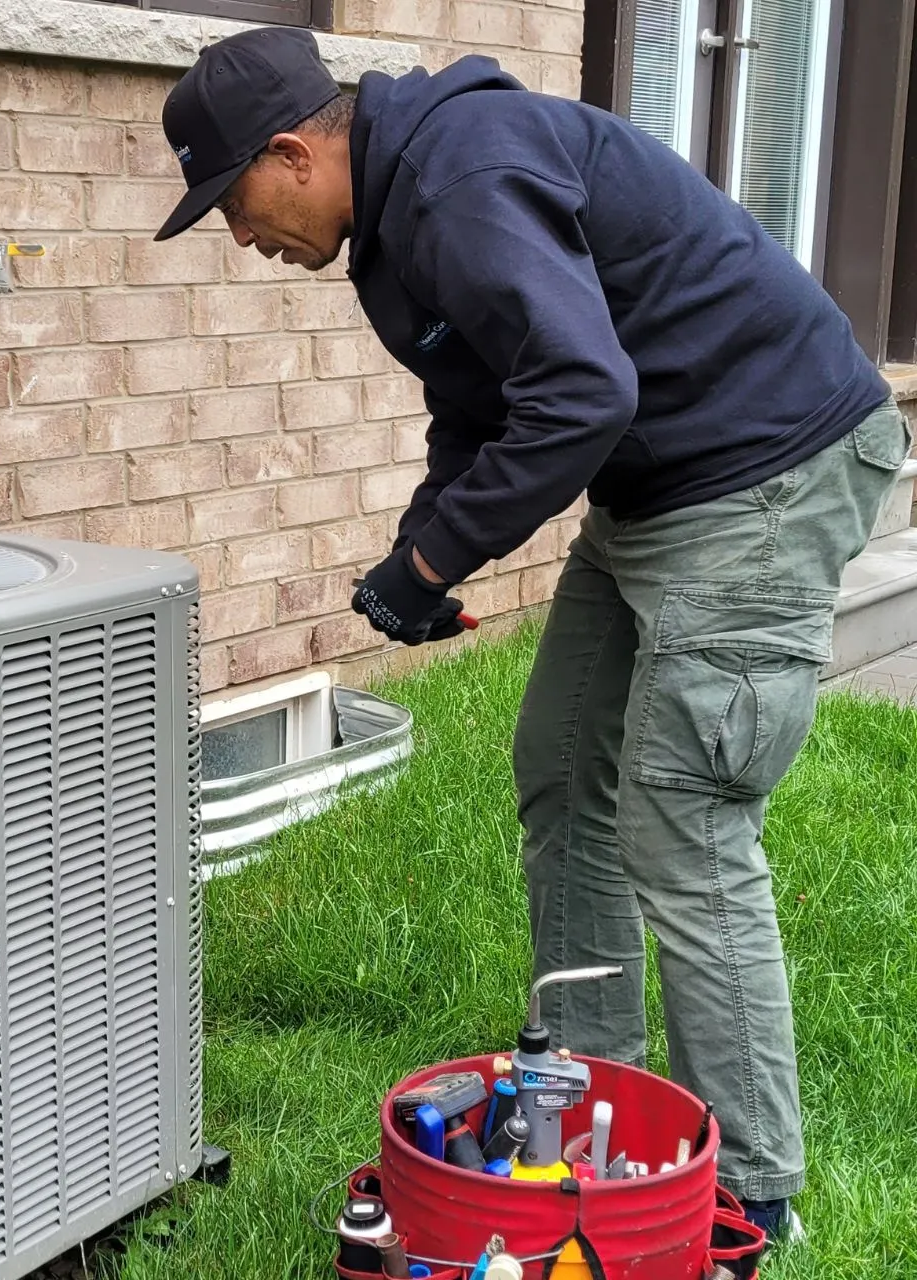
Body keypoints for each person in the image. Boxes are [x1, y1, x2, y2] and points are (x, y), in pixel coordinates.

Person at [155, 26, 909, 1240]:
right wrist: (418, 549)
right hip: (663, 487)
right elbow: (486, 402)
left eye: (232, 205)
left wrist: (442, 554)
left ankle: (751, 1193)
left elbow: (580, 392)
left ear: (292, 151)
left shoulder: (460, 178)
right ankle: (591, 1094)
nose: (242, 238)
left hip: (768, 468)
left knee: (685, 813)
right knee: (562, 765)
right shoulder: (397, 229)